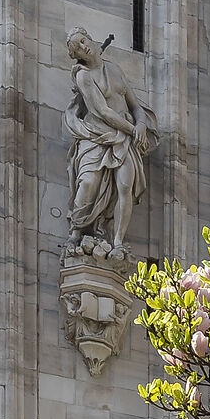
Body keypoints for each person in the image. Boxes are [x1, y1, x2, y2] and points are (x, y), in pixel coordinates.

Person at [62, 29, 153, 254]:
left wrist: (141, 124)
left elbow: (135, 106)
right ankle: (76, 232)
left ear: (91, 39)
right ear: (77, 56)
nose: (83, 46)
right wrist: (133, 130)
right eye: (77, 47)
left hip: (123, 139)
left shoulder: (115, 70)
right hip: (97, 135)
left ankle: (118, 242)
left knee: (124, 186)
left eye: (83, 40)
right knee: (89, 183)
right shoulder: (83, 76)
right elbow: (103, 111)